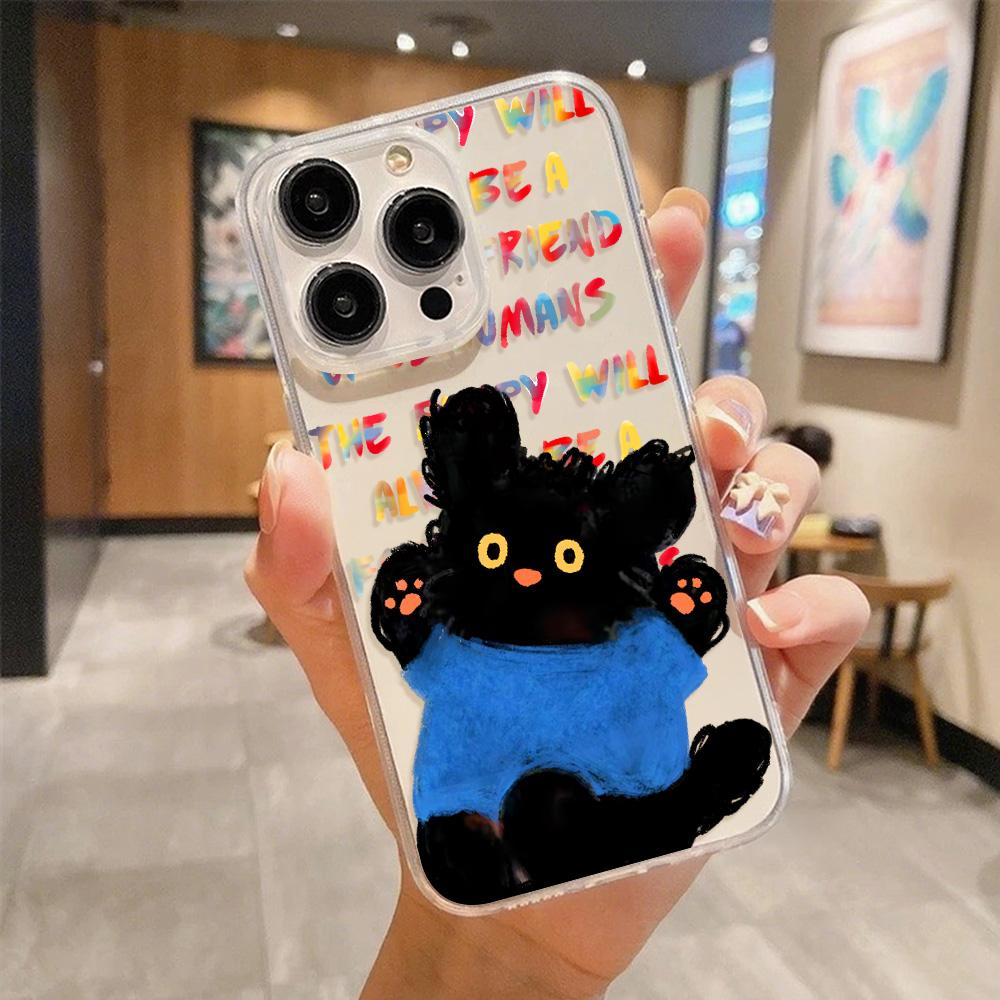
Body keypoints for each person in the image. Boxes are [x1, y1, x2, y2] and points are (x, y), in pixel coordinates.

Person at [245, 186, 870, 1000]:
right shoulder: (468, 646)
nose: (529, 573)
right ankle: (655, 808)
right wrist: (412, 624)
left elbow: (660, 639)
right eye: (496, 550)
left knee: (559, 811)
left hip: (611, 798)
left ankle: (677, 804)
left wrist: (685, 617)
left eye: (568, 553)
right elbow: (427, 647)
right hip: (480, 814)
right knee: (512, 824)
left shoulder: (621, 642)